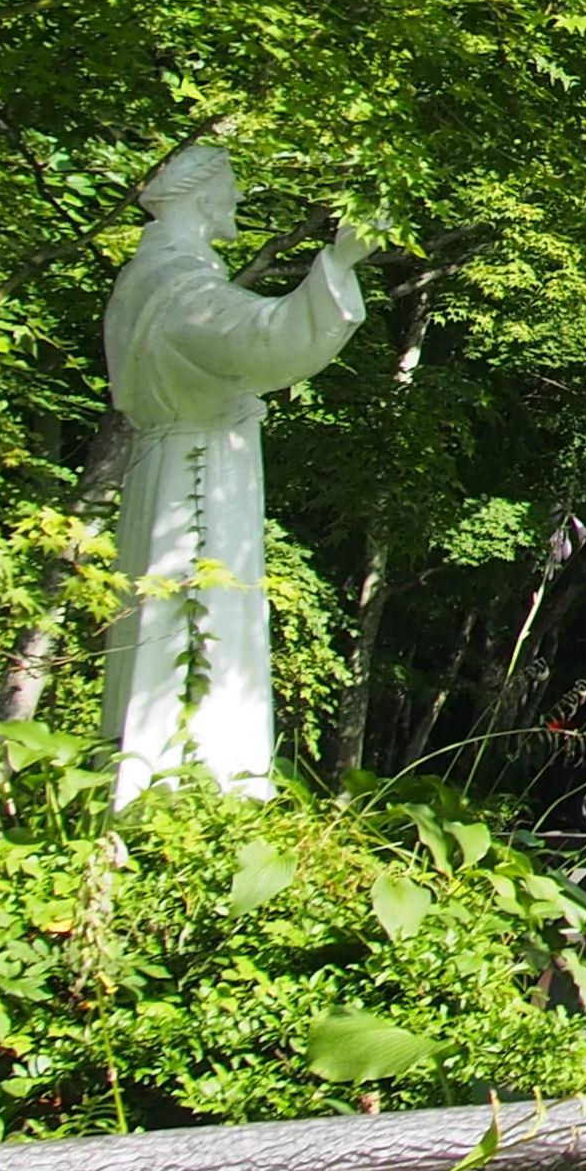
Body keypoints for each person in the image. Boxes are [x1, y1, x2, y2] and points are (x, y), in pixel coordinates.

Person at [98, 145, 375, 798]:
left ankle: (163, 787)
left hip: (168, 466)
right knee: (194, 623)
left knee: (170, 626)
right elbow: (259, 338)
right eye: (228, 188)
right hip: (193, 478)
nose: (238, 201)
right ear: (199, 197)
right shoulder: (173, 283)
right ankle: (194, 795)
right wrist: (337, 262)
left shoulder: (148, 278)